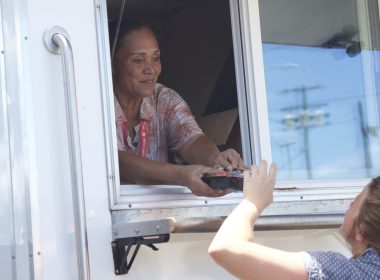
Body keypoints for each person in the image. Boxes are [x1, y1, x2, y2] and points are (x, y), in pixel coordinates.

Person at [110, 18, 244, 197]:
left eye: (156, 59)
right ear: (112, 65)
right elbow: (117, 162)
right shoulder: (97, 105)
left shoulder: (164, 99)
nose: (151, 69)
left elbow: (192, 140)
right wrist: (180, 175)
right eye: (138, 60)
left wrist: (216, 160)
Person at [208, 160, 380, 279]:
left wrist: (253, 201)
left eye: (356, 200)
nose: (350, 203)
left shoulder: (346, 273)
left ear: (361, 231)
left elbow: (225, 248)